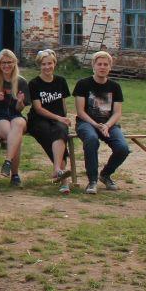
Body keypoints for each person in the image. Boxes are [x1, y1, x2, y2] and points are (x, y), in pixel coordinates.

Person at [73, 51, 130, 194]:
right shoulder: (83, 84)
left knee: (123, 148)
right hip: (86, 123)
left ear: (110, 67)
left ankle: (105, 175)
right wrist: (96, 125)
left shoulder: (115, 87)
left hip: (108, 124)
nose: (102, 67)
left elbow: (117, 112)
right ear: (93, 66)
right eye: (99, 64)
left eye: (106, 64)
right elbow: (80, 111)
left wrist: (107, 125)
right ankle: (92, 181)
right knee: (92, 140)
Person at [27, 50, 72, 193]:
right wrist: (59, 118)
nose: (47, 67)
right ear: (39, 65)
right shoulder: (34, 83)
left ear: (55, 64)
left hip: (58, 119)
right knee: (49, 134)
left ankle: (57, 170)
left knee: (60, 131)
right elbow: (38, 109)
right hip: (38, 120)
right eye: (44, 64)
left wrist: (64, 119)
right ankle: (63, 180)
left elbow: (63, 104)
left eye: (50, 63)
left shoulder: (61, 81)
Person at [0, 49, 31, 187]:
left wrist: (20, 102)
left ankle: (8, 162)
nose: (6, 65)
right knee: (14, 136)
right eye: (3, 63)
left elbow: (20, 109)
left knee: (19, 124)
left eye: (9, 62)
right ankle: (14, 174)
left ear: (15, 63)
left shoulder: (21, 81)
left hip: (15, 114)